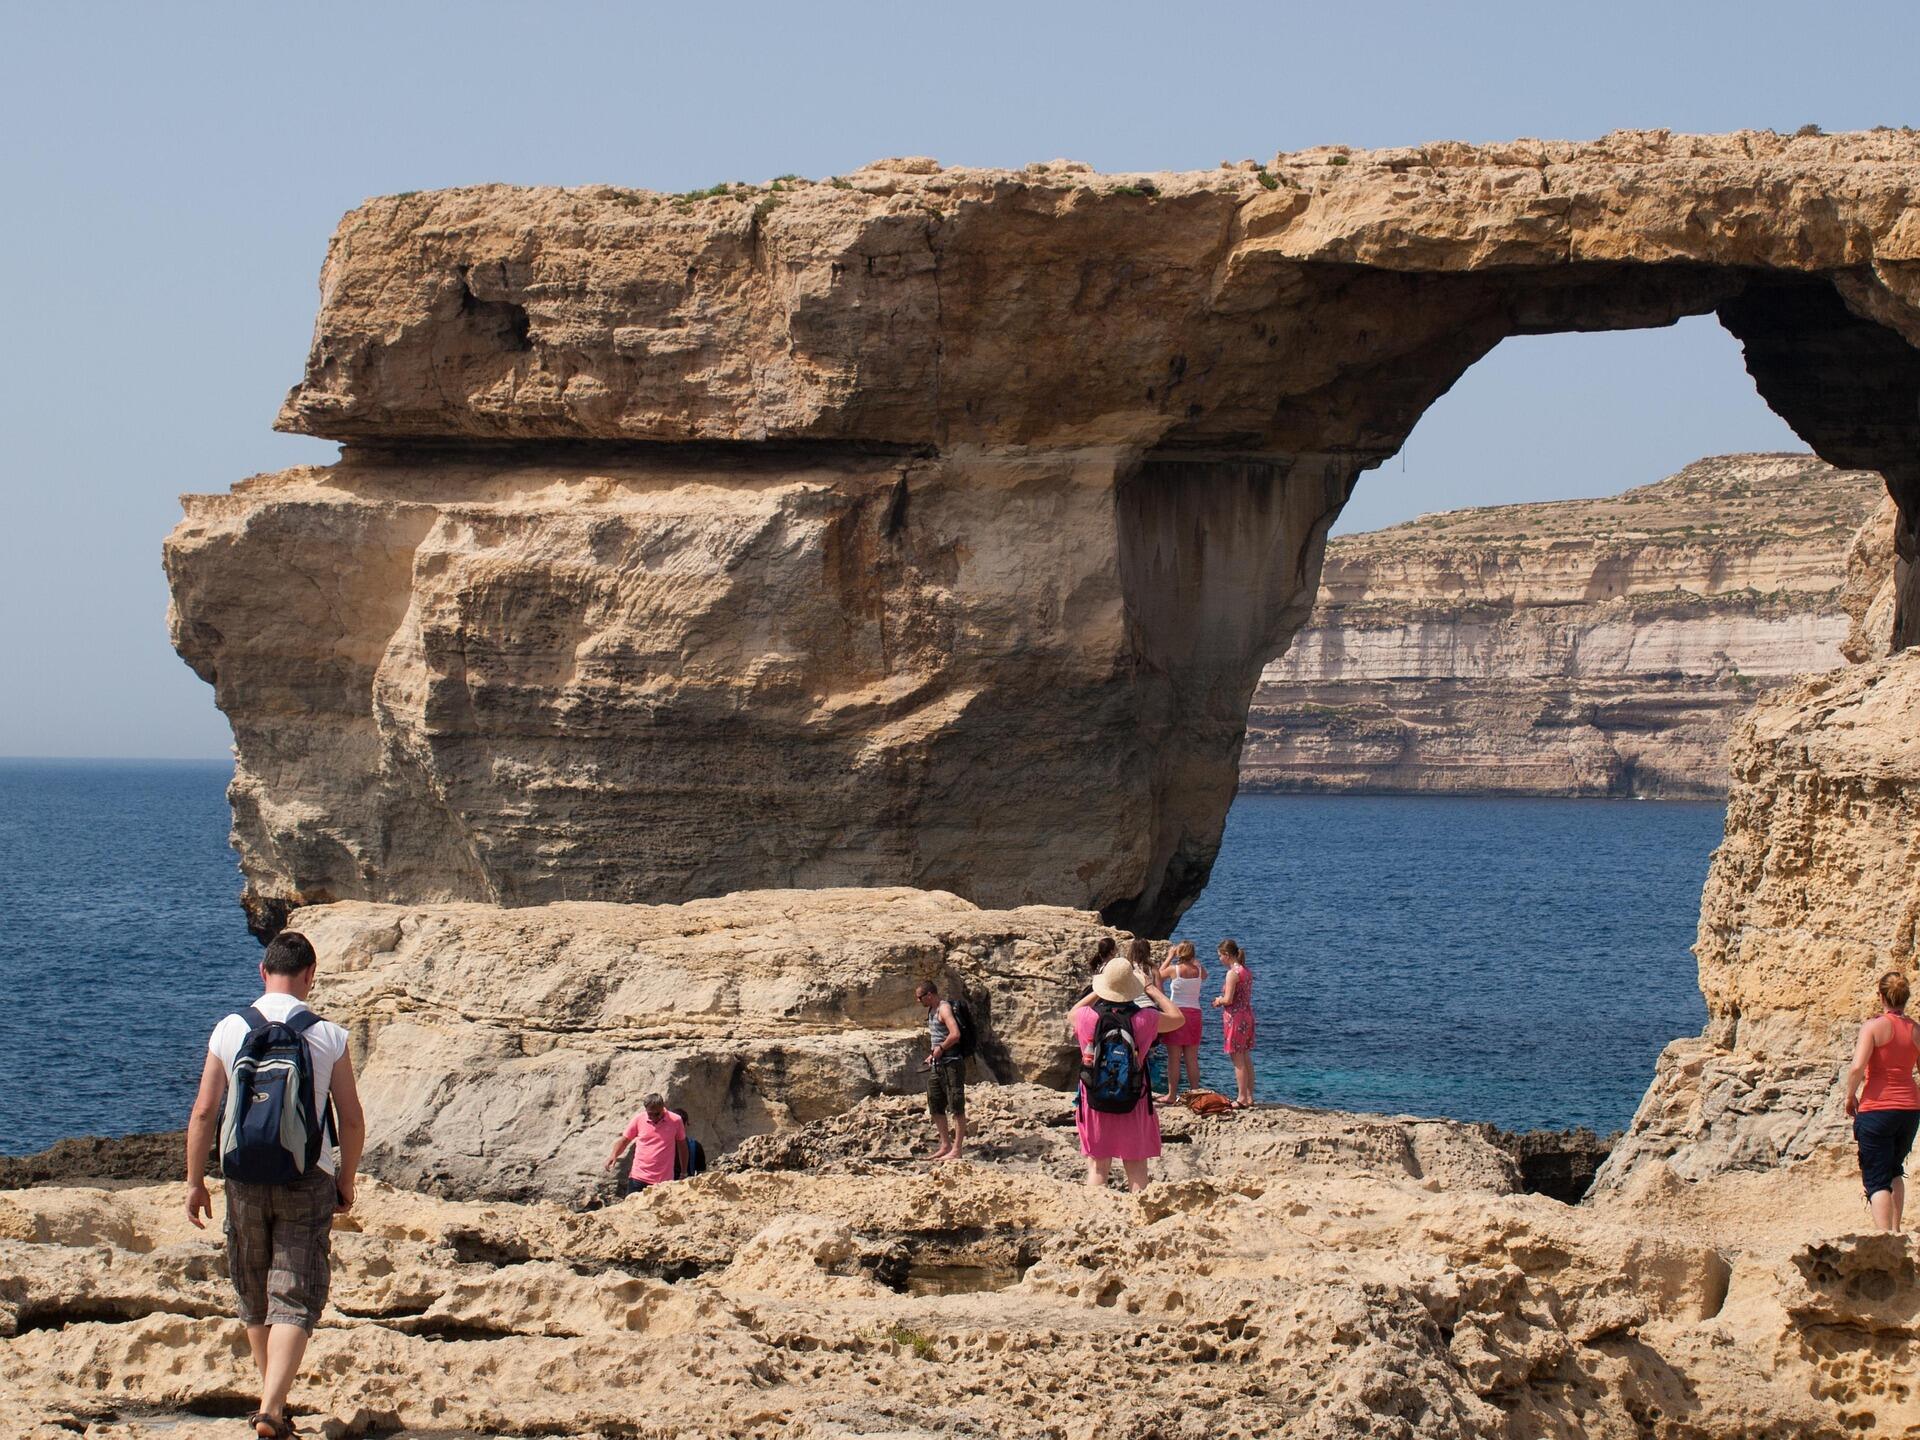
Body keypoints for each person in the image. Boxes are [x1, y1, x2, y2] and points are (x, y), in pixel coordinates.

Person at [184, 930, 365, 1440]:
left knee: (253, 1285)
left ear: (263, 973)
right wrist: (344, 1180)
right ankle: (271, 1409)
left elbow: (203, 1112)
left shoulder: (229, 1028)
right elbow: (351, 1120)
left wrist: (195, 1182)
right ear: (310, 975)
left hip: (241, 1176)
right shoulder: (329, 1036)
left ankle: (273, 1406)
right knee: (295, 1288)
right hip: (307, 1176)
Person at [1071, 957, 1185, 1190]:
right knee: (1136, 1170)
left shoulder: (1086, 1018)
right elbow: (1178, 1018)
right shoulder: (1146, 1018)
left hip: (1094, 1097)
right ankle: (1138, 1220)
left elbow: (1072, 1012)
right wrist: (1151, 989)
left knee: (1098, 1168)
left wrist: (1096, 990)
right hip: (1134, 1098)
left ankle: (1095, 1218)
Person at [1845, 971, 1920, 1231]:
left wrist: (1849, 1096)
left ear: (1881, 996)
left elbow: (1857, 1067)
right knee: (1895, 1169)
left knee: (1877, 1180)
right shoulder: (1916, 1030)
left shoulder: (1873, 1027)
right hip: (1909, 1110)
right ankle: (1897, 1232)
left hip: (1877, 1109)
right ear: (1905, 998)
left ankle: (1884, 1237)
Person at [916, 980, 968, 1161]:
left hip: (952, 1064)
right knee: (935, 1104)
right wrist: (933, 1055)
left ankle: (957, 1150)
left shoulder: (944, 1009)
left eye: (919, 997)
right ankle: (945, 1145)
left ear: (929, 995)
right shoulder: (931, 1010)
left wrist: (941, 1050)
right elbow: (939, 1037)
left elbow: (955, 1034)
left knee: (956, 1106)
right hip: (938, 1065)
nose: (918, 1001)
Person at [604, 1093, 689, 1194]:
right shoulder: (639, 1119)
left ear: (663, 1107)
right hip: (638, 1178)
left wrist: (683, 1172)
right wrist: (613, 1155)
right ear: (646, 1109)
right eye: (650, 1114)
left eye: (657, 1114)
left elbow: (682, 1146)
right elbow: (624, 1140)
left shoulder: (675, 1120)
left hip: (663, 1181)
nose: (653, 1117)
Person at [1158, 940, 1206, 1101]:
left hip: (1177, 1014)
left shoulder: (1175, 970)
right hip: (1195, 1014)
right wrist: (1195, 962)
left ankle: (1171, 1095)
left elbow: (1158, 975)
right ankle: (1195, 1093)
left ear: (1180, 953)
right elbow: (1205, 976)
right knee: (1192, 1058)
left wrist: (1169, 956)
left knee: (1174, 1058)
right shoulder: (1199, 970)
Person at [1126, 937, 1172, 1101]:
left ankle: (1132, 1088)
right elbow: (1160, 993)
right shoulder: (1152, 969)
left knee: (1132, 1052)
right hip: (1150, 1013)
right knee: (1149, 1054)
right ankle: (1148, 1090)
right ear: (1147, 951)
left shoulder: (1128, 968)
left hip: (1131, 1013)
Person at [1212, 939, 1256, 1109]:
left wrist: (1218, 1001)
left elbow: (1228, 999)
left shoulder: (1232, 973)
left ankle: (1242, 1097)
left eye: (1220, 956)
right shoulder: (1246, 971)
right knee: (1245, 1056)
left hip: (1235, 1018)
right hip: (1247, 1015)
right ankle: (1250, 1096)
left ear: (1227, 955)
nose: (1219, 959)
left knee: (1237, 1058)